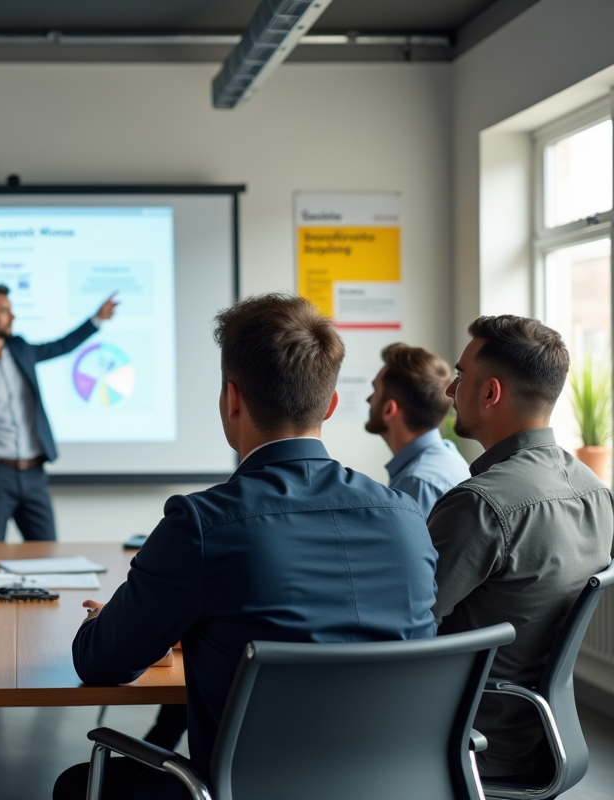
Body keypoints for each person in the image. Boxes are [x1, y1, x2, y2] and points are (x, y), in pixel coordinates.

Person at [52, 294, 438, 800]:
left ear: (231, 400)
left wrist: (114, 623)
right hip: (396, 786)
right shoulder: (407, 518)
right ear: (330, 404)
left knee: (76, 784)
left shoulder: (201, 524)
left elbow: (100, 663)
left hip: (246, 790)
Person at [432, 315, 614, 784]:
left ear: (491, 393)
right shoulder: (595, 489)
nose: (451, 391)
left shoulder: (481, 505)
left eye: (460, 376)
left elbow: (407, 626)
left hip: (469, 739)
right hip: (539, 733)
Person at [0, 285, 118, 541]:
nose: (12, 316)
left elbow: (62, 346)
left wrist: (97, 319)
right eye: (4, 311)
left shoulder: (21, 350)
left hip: (34, 474)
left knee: (48, 554)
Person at [365, 342, 471, 518]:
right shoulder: (446, 456)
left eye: (375, 391)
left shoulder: (417, 483)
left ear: (389, 409)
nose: (369, 399)